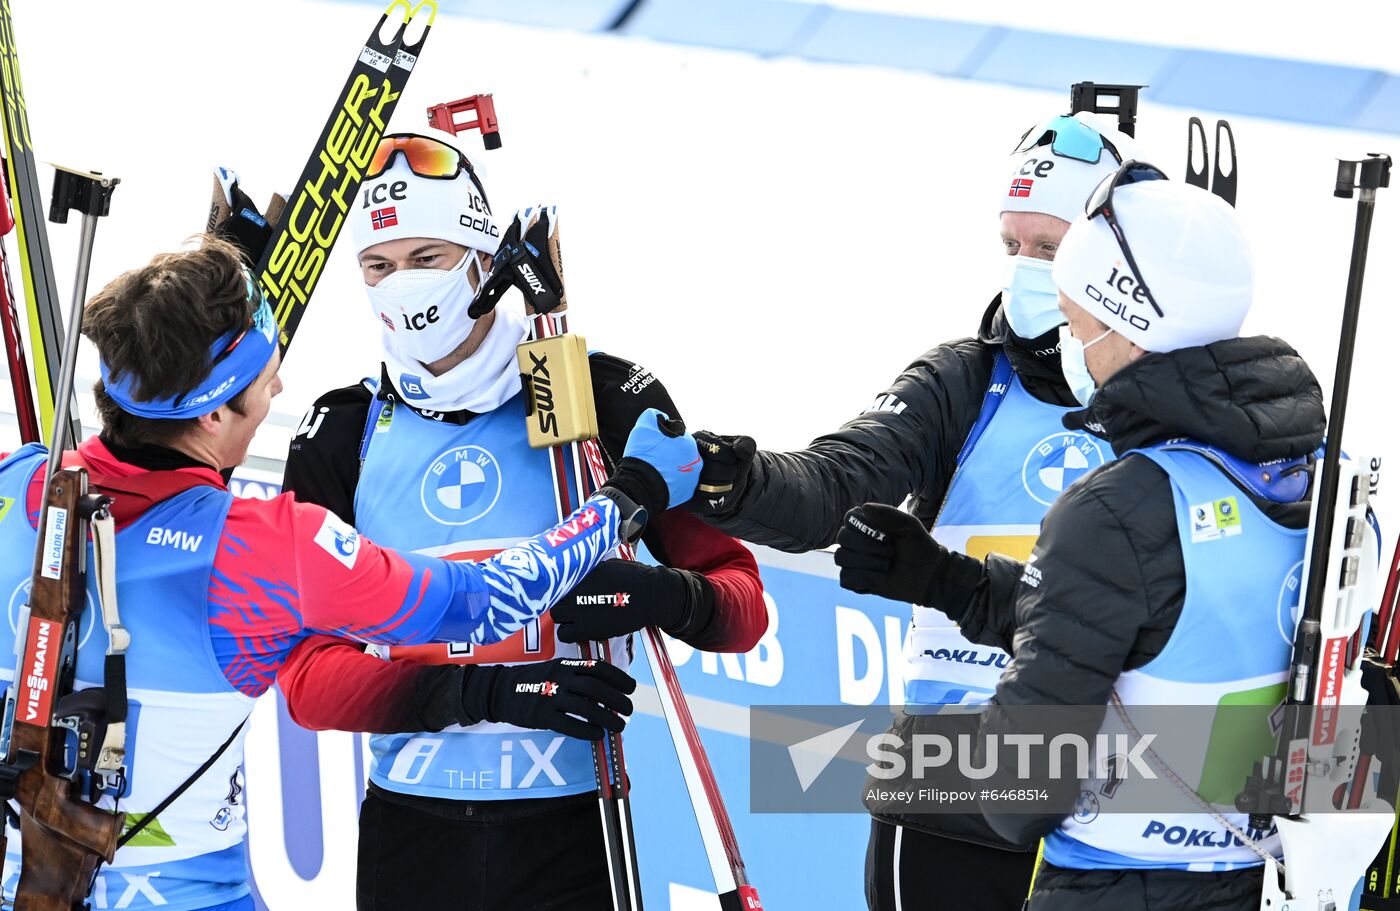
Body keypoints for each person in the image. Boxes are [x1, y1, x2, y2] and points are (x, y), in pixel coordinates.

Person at [0, 235, 701, 911]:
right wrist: (626, 497)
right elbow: (487, 601)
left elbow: (158, 473)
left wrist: (180, 302)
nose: (279, 385)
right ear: (213, 413)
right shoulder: (271, 546)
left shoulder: (17, 481)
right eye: (264, 379)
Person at [268, 133, 768, 910]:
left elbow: (743, 603)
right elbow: (305, 678)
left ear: (482, 260)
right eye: (378, 265)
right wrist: (481, 693)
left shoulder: (600, 396)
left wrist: (670, 596)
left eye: (426, 257)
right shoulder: (342, 431)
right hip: (412, 836)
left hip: (574, 830)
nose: (402, 286)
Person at [835, 166, 1326, 909]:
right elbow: (1169, 629)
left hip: (1112, 884)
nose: (1071, 344)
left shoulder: (1117, 506)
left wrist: (911, 767)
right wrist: (951, 582)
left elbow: (1022, 785)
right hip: (1266, 882)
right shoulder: (1318, 473)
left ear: (1126, 322)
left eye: (1075, 322)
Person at [687, 111, 1137, 909]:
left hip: (1121, 795)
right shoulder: (967, 380)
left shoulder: (1164, 405)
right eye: (1012, 245)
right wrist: (739, 482)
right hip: (954, 787)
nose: (1025, 271)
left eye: (1050, 249)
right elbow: (839, 478)